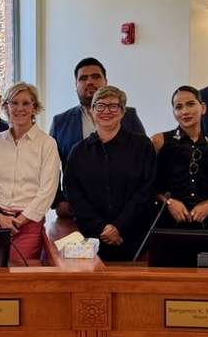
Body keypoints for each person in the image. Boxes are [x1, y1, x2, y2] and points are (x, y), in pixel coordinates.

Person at [63, 86, 158, 261]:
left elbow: (146, 190)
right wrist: (102, 228)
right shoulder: (79, 152)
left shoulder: (142, 146)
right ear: (92, 111)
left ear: (123, 112)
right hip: (91, 239)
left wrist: (118, 227)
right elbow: (74, 195)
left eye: (113, 106)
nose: (106, 111)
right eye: (100, 106)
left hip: (134, 237)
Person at [0, 82, 60, 264]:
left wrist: (19, 221)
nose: (19, 108)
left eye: (26, 103)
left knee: (20, 277)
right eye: (14, 103)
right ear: (6, 107)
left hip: (27, 224)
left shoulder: (47, 144)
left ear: (35, 108)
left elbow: (47, 190)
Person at [152, 86, 208, 230]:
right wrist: (169, 201)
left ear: (203, 108)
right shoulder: (159, 142)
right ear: (174, 112)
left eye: (190, 104)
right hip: (167, 226)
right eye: (178, 107)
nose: (185, 111)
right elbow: (146, 185)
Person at [50, 57, 146, 162]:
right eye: (83, 78)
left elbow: (143, 155)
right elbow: (51, 165)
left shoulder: (129, 115)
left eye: (96, 77)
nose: (89, 82)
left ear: (106, 82)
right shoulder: (60, 123)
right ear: (75, 85)